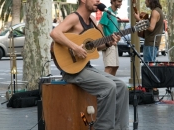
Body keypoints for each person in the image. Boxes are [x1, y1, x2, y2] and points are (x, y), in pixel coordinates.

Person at [50, 0, 129, 130]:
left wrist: (109, 43)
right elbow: (55, 33)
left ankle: (121, 128)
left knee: (122, 87)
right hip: (72, 71)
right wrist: (75, 47)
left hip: (86, 68)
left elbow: (94, 47)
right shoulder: (74, 18)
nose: (98, 1)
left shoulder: (92, 20)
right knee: (109, 87)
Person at [134, 0, 164, 95]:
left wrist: (139, 20)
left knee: (148, 66)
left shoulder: (155, 12)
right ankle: (153, 88)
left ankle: (153, 89)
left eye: (146, 0)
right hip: (153, 43)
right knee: (151, 65)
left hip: (151, 43)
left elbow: (151, 27)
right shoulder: (159, 10)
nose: (145, 2)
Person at [97, 0, 122, 76]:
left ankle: (112, 85)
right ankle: (105, 86)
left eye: (121, 2)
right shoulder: (107, 12)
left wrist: (118, 37)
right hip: (109, 43)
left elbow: (113, 30)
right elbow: (99, 26)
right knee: (109, 67)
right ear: (113, 1)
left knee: (115, 67)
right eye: (119, 1)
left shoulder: (114, 14)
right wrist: (105, 39)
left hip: (114, 43)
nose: (120, 3)